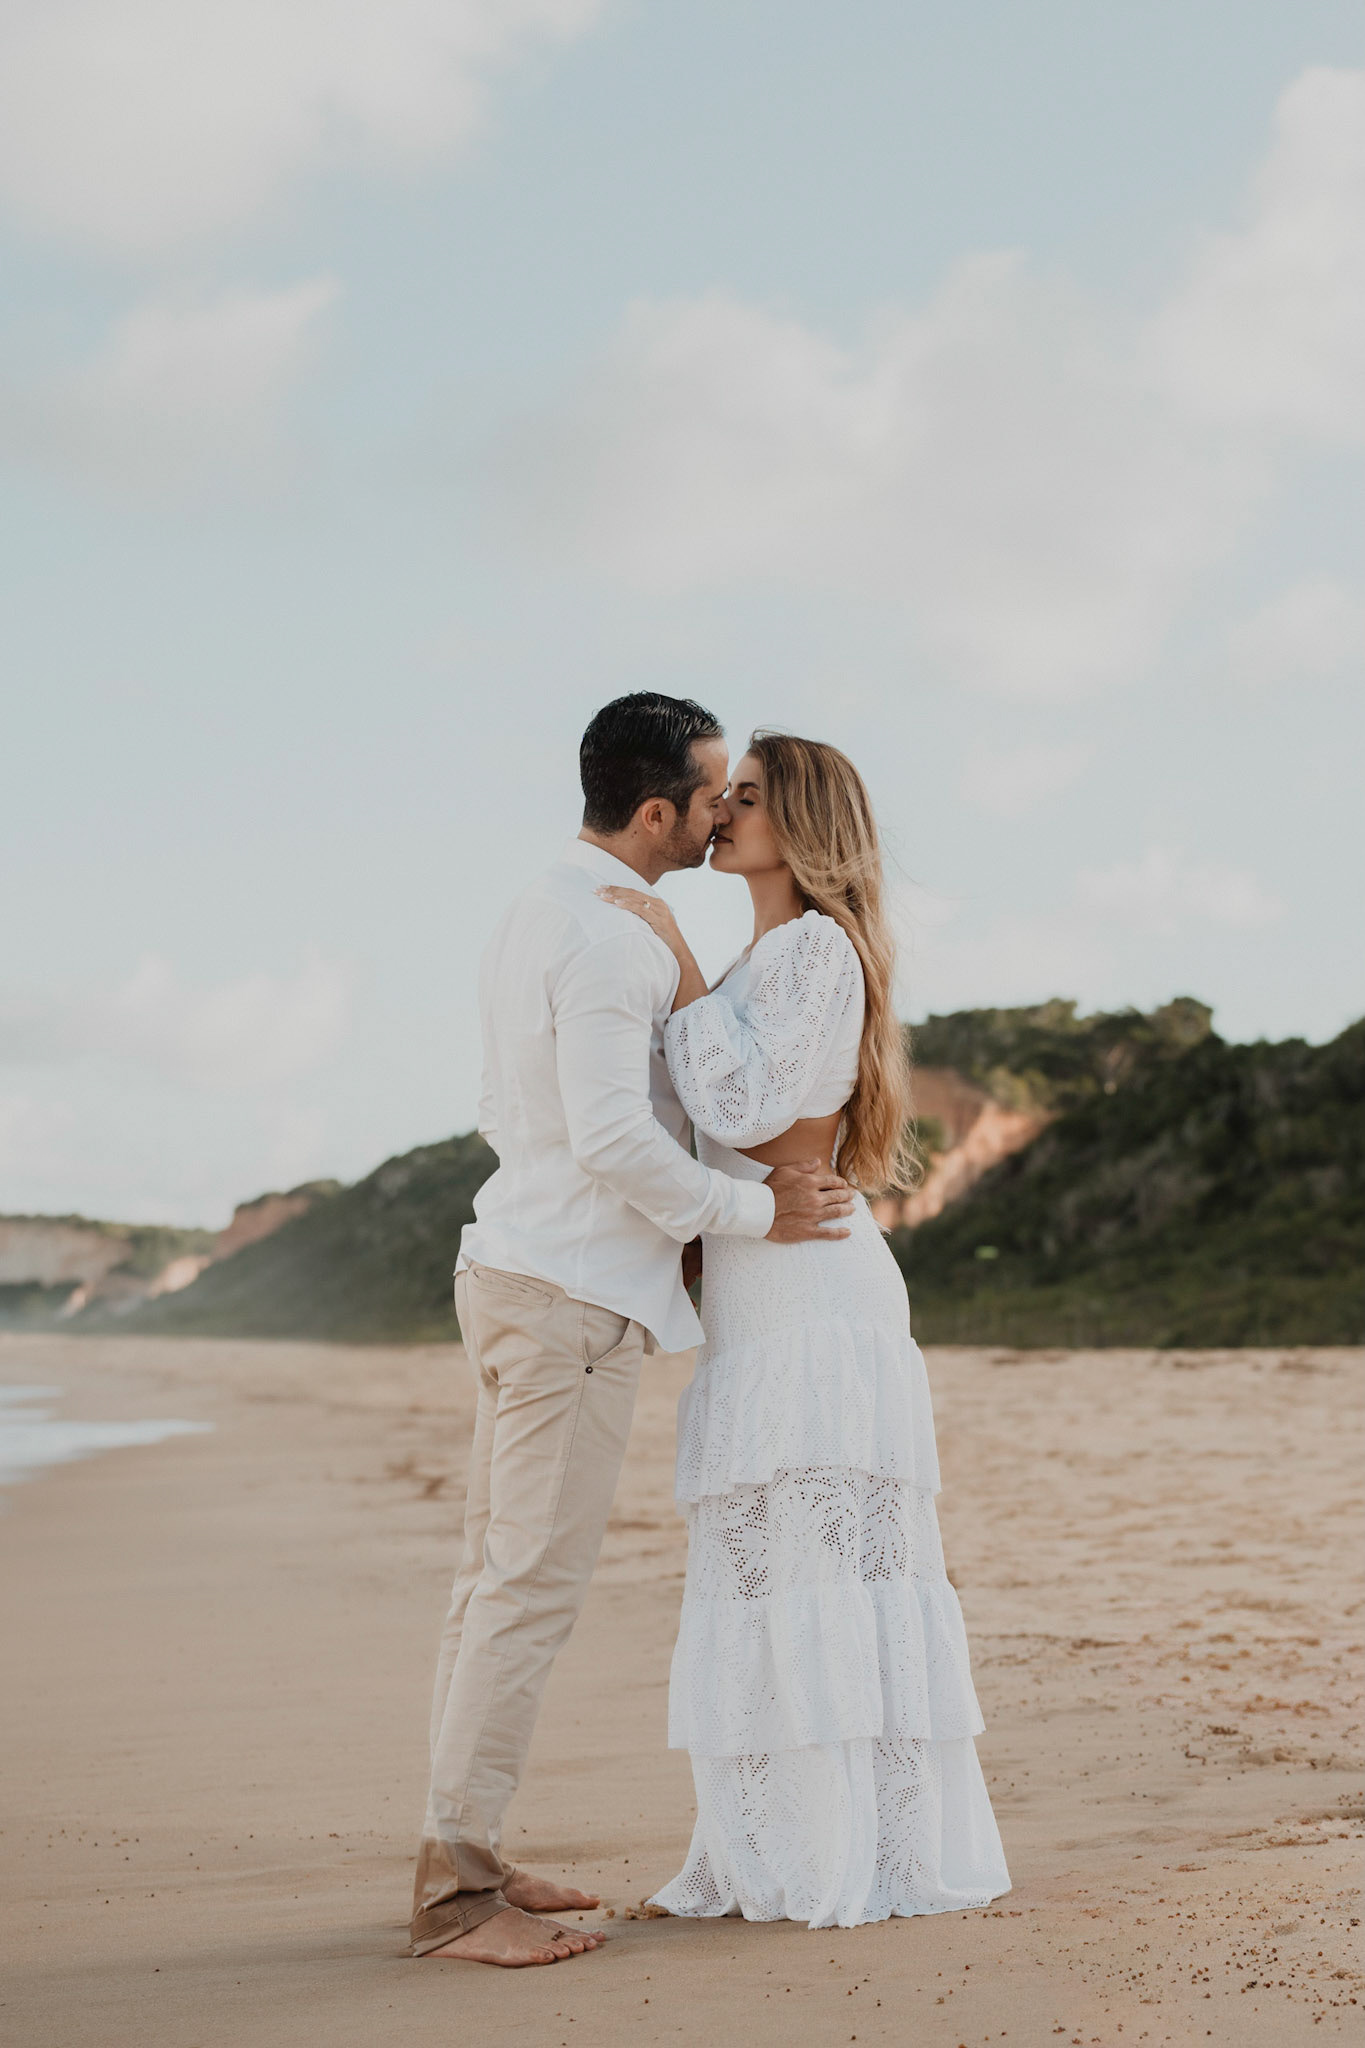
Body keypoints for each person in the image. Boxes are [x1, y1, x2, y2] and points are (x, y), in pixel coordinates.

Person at [409, 695, 857, 1967]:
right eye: (716, 791)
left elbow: (515, 1106)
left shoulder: (540, 908)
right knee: (524, 1592)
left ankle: (465, 1852)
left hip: (519, 1266)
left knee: (486, 1585)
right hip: (566, 1298)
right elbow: (612, 1138)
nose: (726, 810)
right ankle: (454, 1898)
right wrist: (754, 1207)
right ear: (657, 810)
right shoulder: (609, 942)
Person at [600, 730, 1011, 1928]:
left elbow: (745, 1103)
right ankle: (774, 1845)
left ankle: (853, 1851)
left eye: (748, 795)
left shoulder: (818, 949)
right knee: (764, 1575)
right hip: (755, 1288)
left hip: (813, 1296)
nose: (721, 810)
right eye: (721, 792)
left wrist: (672, 957)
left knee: (827, 1574)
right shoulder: (761, 959)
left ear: (808, 823)